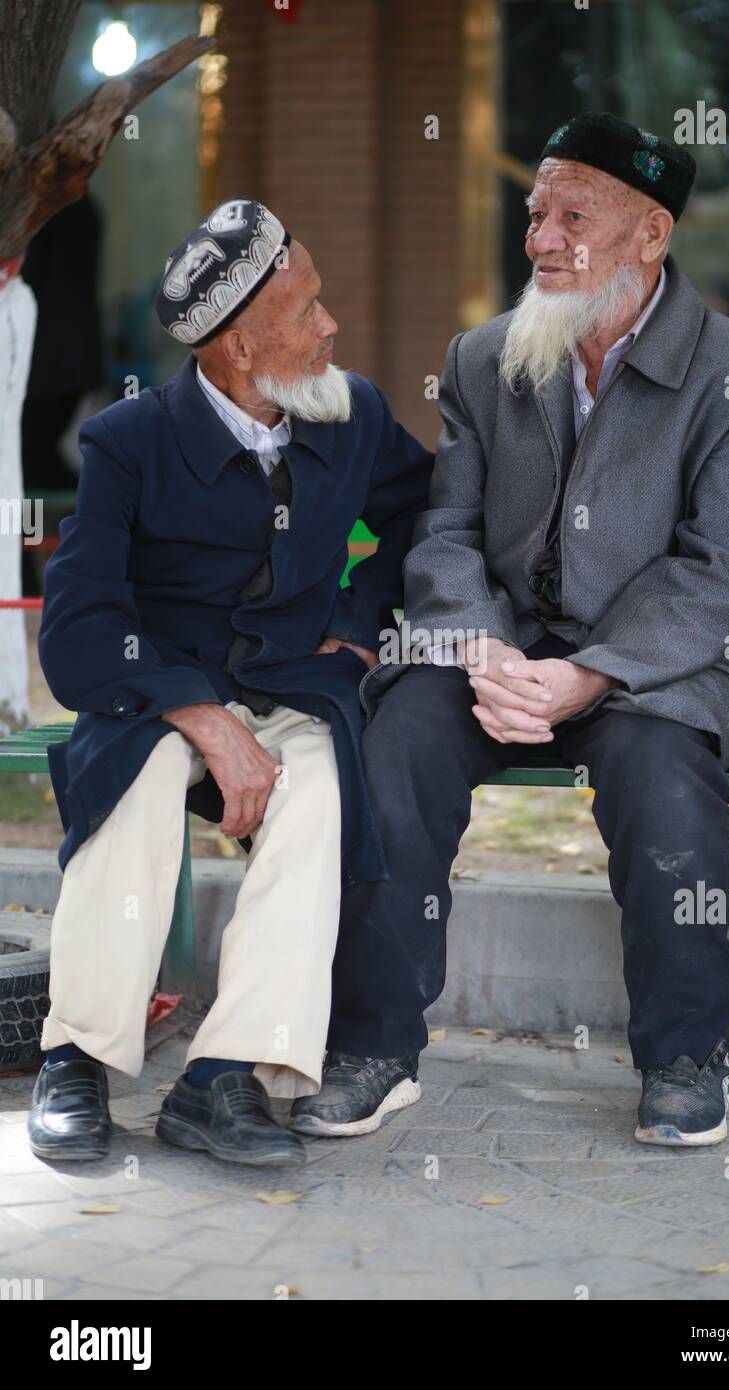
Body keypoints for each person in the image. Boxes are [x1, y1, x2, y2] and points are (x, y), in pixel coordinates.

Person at [293, 113, 729, 1147]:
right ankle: (372, 1045)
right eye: (533, 213)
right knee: (396, 742)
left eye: (574, 215)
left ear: (649, 234)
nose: (539, 239)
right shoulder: (483, 359)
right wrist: (477, 643)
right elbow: (441, 532)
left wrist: (593, 674)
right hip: (502, 650)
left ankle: (683, 1054)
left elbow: (719, 576)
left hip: (662, 667)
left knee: (663, 779)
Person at [28, 197, 432, 1167]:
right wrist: (197, 713)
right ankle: (77, 1056)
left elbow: (425, 515)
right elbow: (78, 630)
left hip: (297, 687)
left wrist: (356, 625)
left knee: (325, 789)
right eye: (306, 314)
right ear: (241, 348)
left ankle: (226, 1075)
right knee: (139, 779)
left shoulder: (353, 411)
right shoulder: (130, 443)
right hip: (159, 696)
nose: (330, 327)